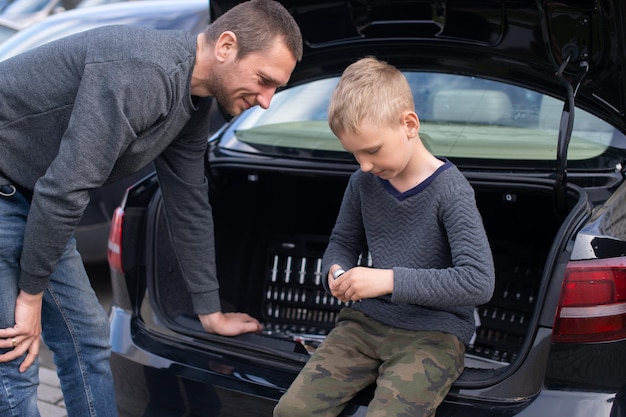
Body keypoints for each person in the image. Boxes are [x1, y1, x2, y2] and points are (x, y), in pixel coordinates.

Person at [0, 0, 303, 415]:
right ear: (226, 46)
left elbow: (189, 202)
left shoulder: (191, 101)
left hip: (31, 193)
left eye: (276, 89)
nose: (267, 100)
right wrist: (30, 298)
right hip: (12, 187)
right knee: (17, 354)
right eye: (264, 80)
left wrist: (209, 311)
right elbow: (65, 189)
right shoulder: (144, 73)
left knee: (88, 337)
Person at [274, 57, 495, 417]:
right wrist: (336, 270)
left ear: (409, 124)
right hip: (364, 324)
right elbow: (343, 241)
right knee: (291, 412)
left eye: (372, 150)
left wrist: (387, 280)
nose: (364, 164)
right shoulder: (363, 182)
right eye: (354, 153)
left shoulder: (451, 191)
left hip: (434, 334)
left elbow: (478, 282)